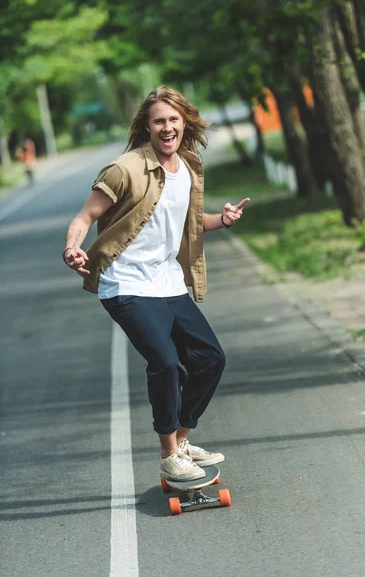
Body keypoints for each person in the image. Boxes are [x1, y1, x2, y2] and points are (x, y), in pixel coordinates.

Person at [63, 85, 250, 481]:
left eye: (173, 120)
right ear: (147, 127)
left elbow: (187, 219)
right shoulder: (125, 168)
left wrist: (223, 219)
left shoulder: (187, 165)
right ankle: (169, 455)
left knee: (210, 359)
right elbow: (83, 218)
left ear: (185, 123)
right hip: (126, 284)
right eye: (159, 121)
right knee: (165, 363)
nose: (167, 127)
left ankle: (181, 442)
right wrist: (72, 248)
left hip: (168, 282)